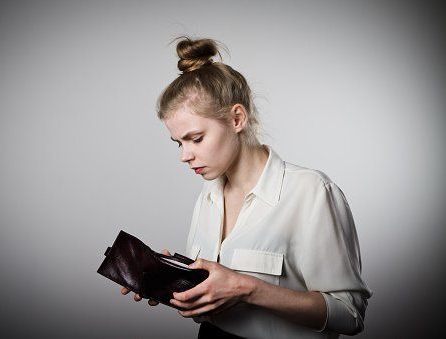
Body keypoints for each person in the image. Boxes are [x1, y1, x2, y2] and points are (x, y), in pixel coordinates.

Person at [121, 36, 372, 339]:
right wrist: (174, 283)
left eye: (196, 138)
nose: (184, 156)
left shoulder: (312, 192)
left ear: (237, 118)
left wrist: (246, 288)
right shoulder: (209, 196)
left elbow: (350, 314)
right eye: (179, 142)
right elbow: (211, 303)